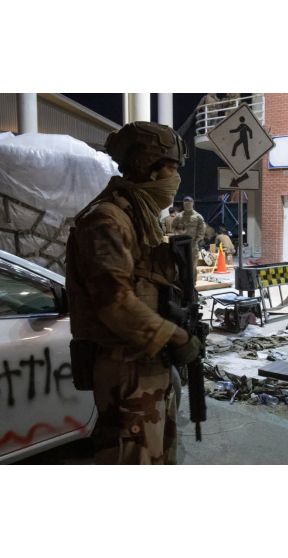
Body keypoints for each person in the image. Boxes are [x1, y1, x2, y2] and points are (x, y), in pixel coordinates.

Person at [65, 121, 201, 465]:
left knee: (157, 455)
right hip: (125, 368)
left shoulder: (139, 215)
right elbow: (115, 302)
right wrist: (176, 335)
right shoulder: (107, 220)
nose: (175, 177)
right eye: (170, 167)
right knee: (133, 456)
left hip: (148, 363)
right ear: (146, 165)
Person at [172, 196, 205, 277]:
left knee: (192, 266)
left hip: (192, 246)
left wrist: (197, 240)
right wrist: (177, 233)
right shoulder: (179, 216)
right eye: (185, 204)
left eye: (189, 204)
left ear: (192, 204)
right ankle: (182, 284)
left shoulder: (198, 217)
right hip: (181, 245)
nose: (187, 206)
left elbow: (202, 230)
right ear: (183, 205)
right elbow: (173, 227)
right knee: (180, 265)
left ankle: (192, 285)